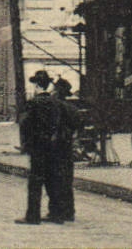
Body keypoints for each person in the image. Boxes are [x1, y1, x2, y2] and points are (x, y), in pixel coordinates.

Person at [16, 70, 62, 225]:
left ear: (36, 85)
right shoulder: (55, 102)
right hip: (53, 146)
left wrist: (26, 144)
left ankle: (33, 216)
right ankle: (56, 213)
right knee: (52, 180)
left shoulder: (34, 103)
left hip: (37, 146)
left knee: (35, 181)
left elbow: (25, 124)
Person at [50, 77, 82, 223]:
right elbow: (78, 127)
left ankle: (57, 212)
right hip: (67, 146)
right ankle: (69, 211)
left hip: (56, 146)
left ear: (57, 91)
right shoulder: (73, 108)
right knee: (67, 180)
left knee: (55, 179)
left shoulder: (55, 107)